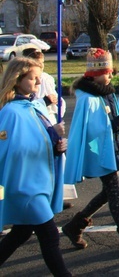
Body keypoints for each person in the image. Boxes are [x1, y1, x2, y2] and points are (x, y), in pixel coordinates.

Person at [62, 48, 119, 252]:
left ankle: (75, 225)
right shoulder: (87, 97)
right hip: (98, 150)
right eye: (107, 72)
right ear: (96, 75)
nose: (111, 75)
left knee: (108, 192)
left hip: (109, 146)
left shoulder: (106, 91)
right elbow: (91, 128)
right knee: (114, 191)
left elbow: (108, 120)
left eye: (112, 71)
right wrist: (113, 124)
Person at [0, 57, 72, 277]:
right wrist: (47, 139)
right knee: (50, 234)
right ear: (17, 79)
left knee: (20, 233)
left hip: (40, 180)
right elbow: (9, 150)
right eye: (32, 78)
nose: (37, 83)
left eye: (39, 78)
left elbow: (43, 139)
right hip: (24, 183)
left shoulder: (36, 105)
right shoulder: (10, 112)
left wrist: (57, 142)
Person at [22, 44, 77, 209]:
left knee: (58, 160)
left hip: (49, 119)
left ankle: (57, 194)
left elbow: (56, 99)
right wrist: (45, 101)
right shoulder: (18, 104)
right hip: (38, 122)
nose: (38, 79)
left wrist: (57, 106)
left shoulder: (46, 78)